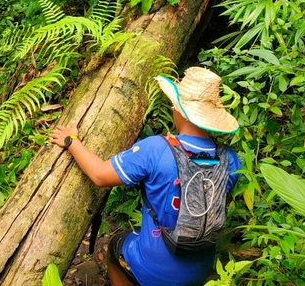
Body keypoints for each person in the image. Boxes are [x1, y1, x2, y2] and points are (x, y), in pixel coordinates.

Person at [50, 67, 241, 286]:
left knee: (115, 245)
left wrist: (71, 141)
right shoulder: (230, 159)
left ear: (177, 109)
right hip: (202, 267)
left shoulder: (157, 148)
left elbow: (100, 176)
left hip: (156, 267)